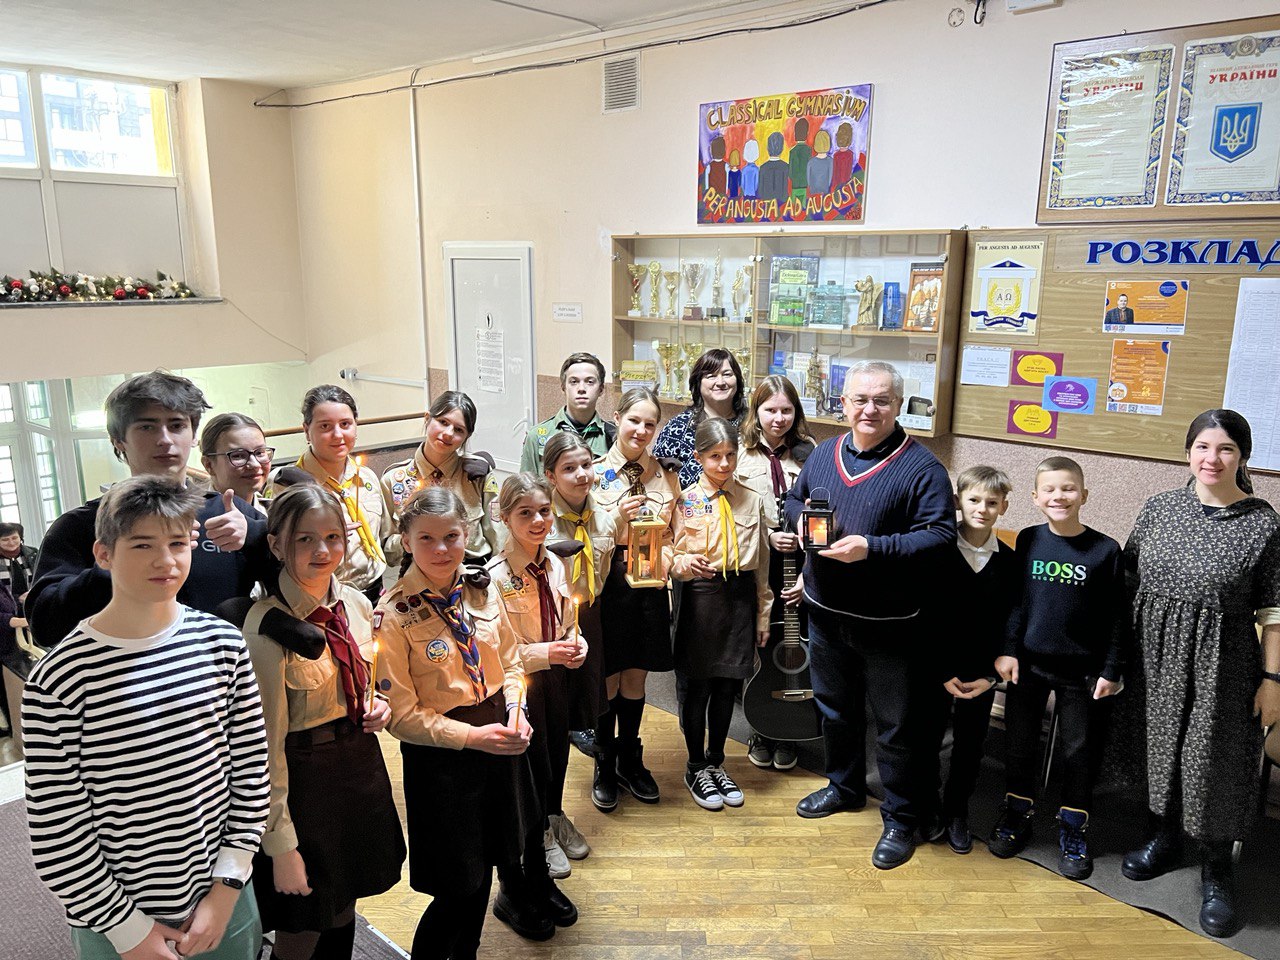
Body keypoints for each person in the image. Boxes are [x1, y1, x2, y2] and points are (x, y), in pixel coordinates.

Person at [23, 476, 270, 960]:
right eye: (142, 545)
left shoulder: (222, 642)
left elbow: (250, 771)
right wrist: (127, 930)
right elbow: (57, 829)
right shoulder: (59, 677)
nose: (166, 561)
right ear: (104, 554)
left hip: (224, 898)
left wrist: (227, 885)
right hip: (113, 920)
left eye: (178, 543)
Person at [783, 360, 955, 870]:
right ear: (844, 403)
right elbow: (794, 501)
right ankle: (844, 787)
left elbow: (940, 537)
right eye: (860, 399)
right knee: (836, 711)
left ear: (898, 405)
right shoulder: (823, 454)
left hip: (890, 625)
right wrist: (801, 523)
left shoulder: (923, 468)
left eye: (882, 400)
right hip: (824, 612)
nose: (869, 409)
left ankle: (901, 817)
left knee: (897, 727)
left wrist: (872, 548)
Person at [1121, 410, 1280, 938]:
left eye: (1226, 449)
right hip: (1152, 655)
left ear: (1243, 457)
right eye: (1203, 447)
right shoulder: (1159, 508)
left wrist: (1273, 681)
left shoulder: (1263, 524)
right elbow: (1127, 577)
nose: (1213, 459)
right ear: (1188, 452)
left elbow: (1274, 612)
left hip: (1224, 664)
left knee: (1214, 759)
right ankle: (1165, 839)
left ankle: (1217, 867)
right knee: (1159, 748)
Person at [245, 485, 405, 960]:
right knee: (303, 922)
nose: (323, 550)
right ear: (276, 545)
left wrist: (380, 704)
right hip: (304, 786)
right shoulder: (266, 627)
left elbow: (368, 680)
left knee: (344, 902)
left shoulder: (355, 604)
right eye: (305, 539)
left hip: (358, 768)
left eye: (333, 537)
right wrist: (280, 843)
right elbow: (263, 748)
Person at [377, 487, 529, 960]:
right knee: (455, 885)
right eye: (426, 538)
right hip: (443, 759)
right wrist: (471, 738)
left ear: (468, 534)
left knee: (487, 866)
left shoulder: (482, 588)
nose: (441, 549)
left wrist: (517, 711)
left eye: (451, 536)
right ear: (406, 541)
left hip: (499, 739)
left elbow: (512, 663)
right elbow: (400, 715)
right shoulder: (393, 614)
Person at [27, 370, 266, 647]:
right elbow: (45, 625)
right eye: (147, 427)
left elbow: (297, 588)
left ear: (193, 435)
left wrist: (255, 536)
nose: (165, 439)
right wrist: (119, 563)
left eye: (176, 425)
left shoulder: (229, 512)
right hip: (124, 672)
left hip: (220, 668)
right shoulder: (81, 526)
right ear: (119, 440)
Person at [989, 456, 1125, 882]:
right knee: (1019, 745)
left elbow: (1117, 617)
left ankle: (1073, 826)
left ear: (1084, 495)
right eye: (1049, 489)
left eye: (1068, 488)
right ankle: (1017, 813)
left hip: (1082, 673)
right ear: (1035, 497)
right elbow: (1016, 602)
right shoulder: (1028, 539)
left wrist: (1112, 669)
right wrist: (1008, 650)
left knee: (1079, 752)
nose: (1059, 496)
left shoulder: (1106, 550)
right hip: (1028, 667)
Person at [487, 473, 584, 938]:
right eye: (525, 513)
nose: (538, 520)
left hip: (554, 686)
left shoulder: (555, 565)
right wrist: (549, 652)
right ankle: (512, 886)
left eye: (544, 511)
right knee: (518, 790)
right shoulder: (493, 578)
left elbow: (566, 624)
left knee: (550, 775)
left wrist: (576, 644)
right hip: (517, 693)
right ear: (504, 517)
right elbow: (499, 654)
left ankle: (540, 877)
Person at [668, 419, 771, 810]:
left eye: (730, 455)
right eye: (715, 456)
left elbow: (762, 565)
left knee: (728, 685)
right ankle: (695, 766)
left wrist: (763, 615)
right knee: (698, 686)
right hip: (701, 596)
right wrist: (681, 563)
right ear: (698, 457)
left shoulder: (752, 499)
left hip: (739, 597)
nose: (724, 464)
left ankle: (716, 762)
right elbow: (671, 553)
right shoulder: (685, 500)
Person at [591, 387, 680, 811]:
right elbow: (583, 535)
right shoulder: (591, 473)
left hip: (649, 584)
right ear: (617, 418)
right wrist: (615, 516)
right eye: (634, 420)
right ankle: (604, 761)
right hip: (608, 583)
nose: (641, 430)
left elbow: (676, 535)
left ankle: (630, 757)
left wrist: (670, 564)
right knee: (609, 677)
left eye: (650, 424)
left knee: (635, 678)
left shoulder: (666, 475)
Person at [925, 466, 1018, 855]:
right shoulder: (936, 550)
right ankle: (928, 805)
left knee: (970, 744)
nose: (982, 509)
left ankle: (957, 810)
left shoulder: (1009, 561)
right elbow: (925, 614)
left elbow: (1011, 619)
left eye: (992, 502)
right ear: (957, 501)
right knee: (927, 738)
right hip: (935, 668)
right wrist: (940, 671)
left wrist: (991, 677)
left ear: (1003, 507)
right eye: (974, 500)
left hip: (980, 674)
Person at [543, 430, 616, 858]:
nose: (581, 475)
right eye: (569, 468)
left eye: (586, 465)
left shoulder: (604, 516)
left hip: (586, 622)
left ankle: (555, 813)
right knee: (545, 727)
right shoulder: (538, 517)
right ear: (551, 475)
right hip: (544, 627)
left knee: (572, 719)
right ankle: (539, 823)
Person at [735, 375, 814, 772]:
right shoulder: (738, 452)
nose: (779, 418)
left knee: (795, 641)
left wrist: (802, 550)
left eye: (786, 410)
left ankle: (790, 730)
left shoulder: (810, 453)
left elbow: (821, 513)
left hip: (798, 567)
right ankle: (761, 728)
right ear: (757, 411)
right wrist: (767, 534)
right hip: (756, 563)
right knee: (761, 644)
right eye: (770, 410)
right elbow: (732, 509)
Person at [286, 385, 391, 605]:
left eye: (345, 424)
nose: (337, 435)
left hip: (374, 592)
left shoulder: (367, 477)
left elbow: (384, 537)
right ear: (306, 430)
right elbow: (280, 552)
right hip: (324, 598)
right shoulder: (290, 485)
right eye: (325, 426)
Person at [381, 391, 499, 569]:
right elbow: (386, 549)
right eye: (443, 422)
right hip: (417, 572)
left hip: (471, 572)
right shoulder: (394, 481)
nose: (448, 433)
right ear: (427, 419)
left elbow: (497, 536)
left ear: (466, 436)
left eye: (459, 430)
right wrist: (416, 540)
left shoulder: (477, 476)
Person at [653, 347, 747, 489]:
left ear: (738, 380)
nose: (720, 382)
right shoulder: (678, 427)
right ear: (698, 382)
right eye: (711, 376)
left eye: (727, 374)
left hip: (744, 502)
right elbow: (656, 477)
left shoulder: (751, 425)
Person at [520, 353, 614, 474]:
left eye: (590, 382)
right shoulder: (536, 436)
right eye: (574, 382)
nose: (581, 389)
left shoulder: (612, 436)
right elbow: (526, 484)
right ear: (563, 387)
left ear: (601, 389)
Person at [201, 413, 275, 517]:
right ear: (209, 465)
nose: (255, 464)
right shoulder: (190, 519)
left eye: (260, 453)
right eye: (238, 455)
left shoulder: (277, 514)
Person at [0, 521, 38, 612]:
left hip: (34, 606)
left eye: (14, 538)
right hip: (5, 612)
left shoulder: (33, 554)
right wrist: (17, 600)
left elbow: (43, 577)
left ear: (20, 537)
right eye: (5, 540)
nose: (11, 542)